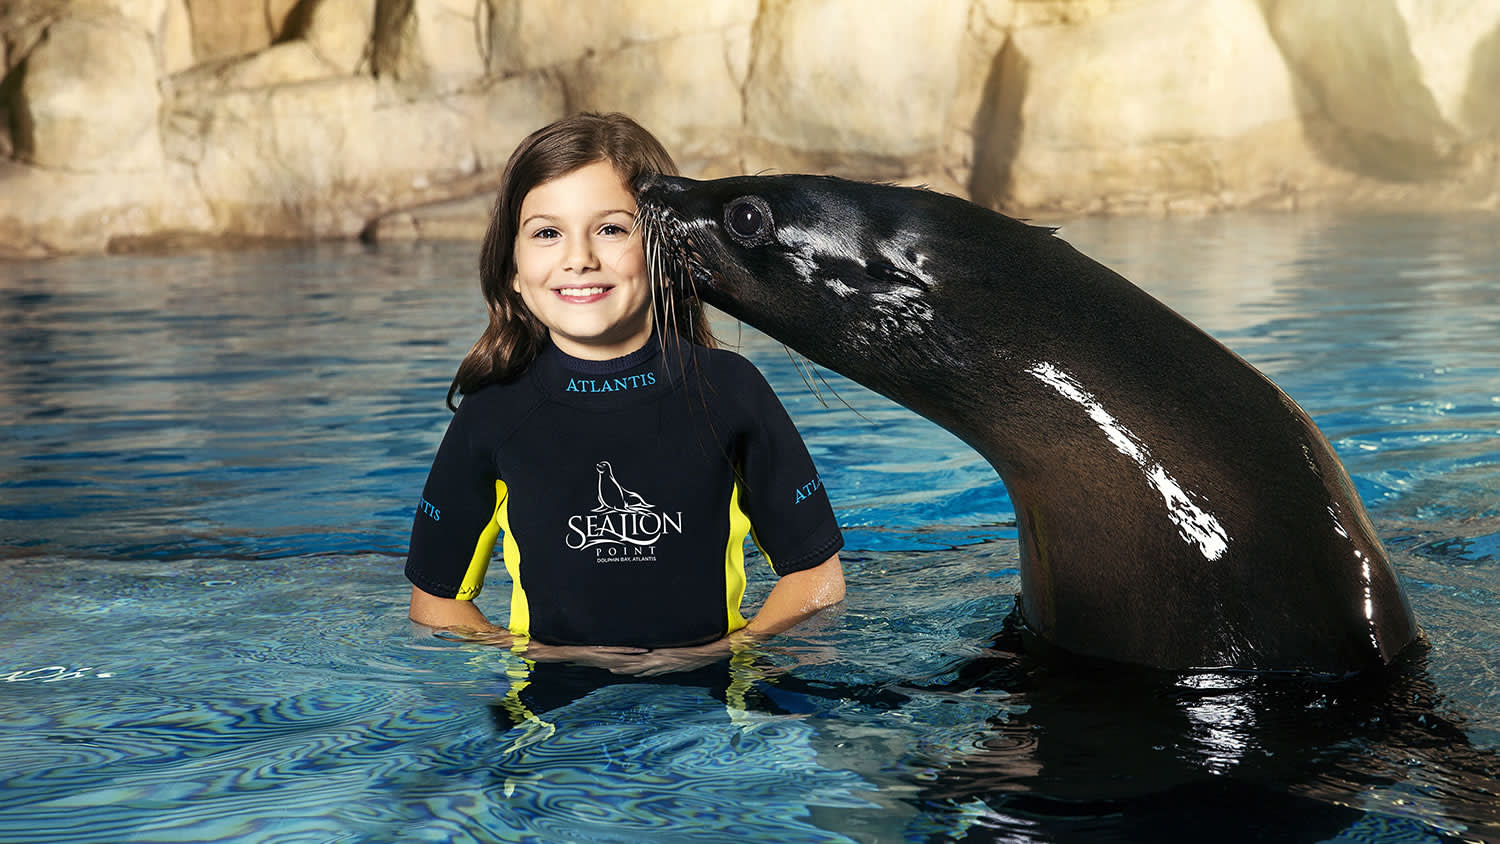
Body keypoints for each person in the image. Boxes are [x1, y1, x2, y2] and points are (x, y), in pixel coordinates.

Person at [403, 112, 845, 677]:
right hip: (547, 717)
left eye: (611, 229)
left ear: (667, 253)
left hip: (714, 707)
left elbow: (817, 579)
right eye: (547, 233)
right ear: (512, 267)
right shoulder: (491, 414)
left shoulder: (731, 392)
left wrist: (715, 654)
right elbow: (435, 605)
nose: (579, 258)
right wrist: (546, 657)